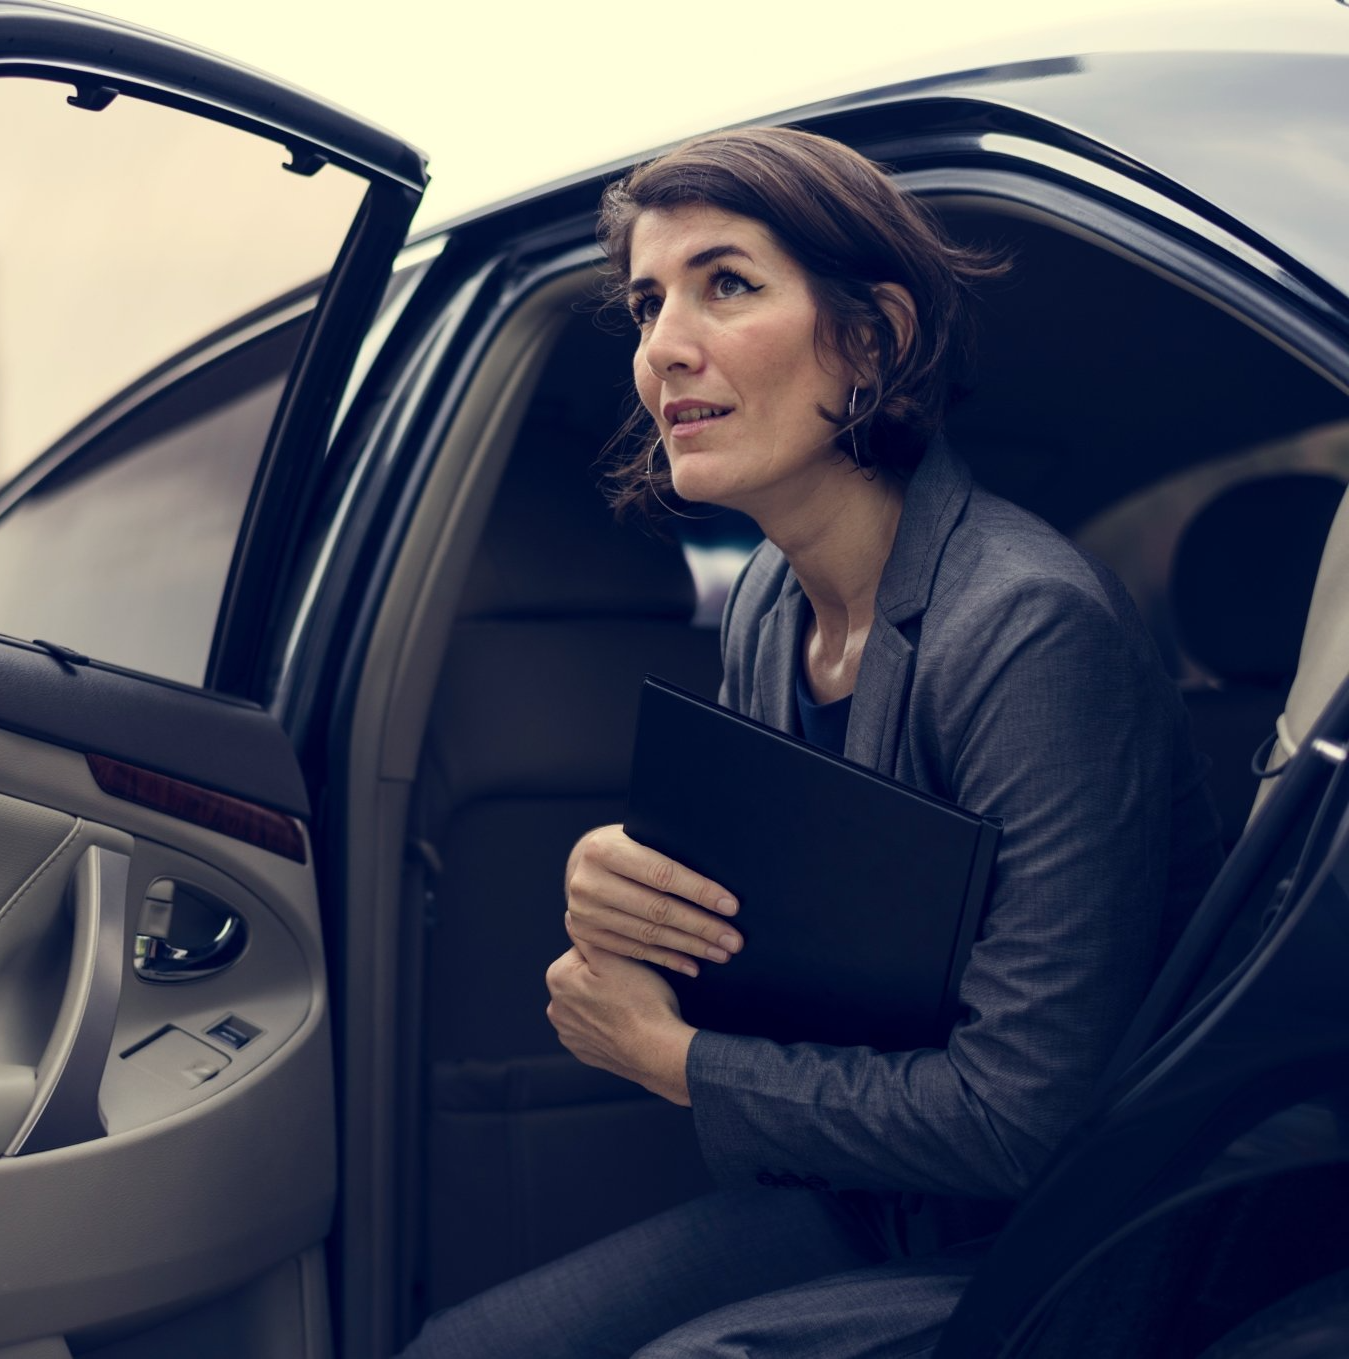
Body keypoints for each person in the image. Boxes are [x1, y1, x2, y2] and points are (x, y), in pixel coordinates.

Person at [397, 129, 1223, 1358]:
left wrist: (674, 1057)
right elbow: (797, 952)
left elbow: (1021, 1120)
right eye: (646, 303)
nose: (662, 347)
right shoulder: (772, 611)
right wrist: (620, 890)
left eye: (726, 284)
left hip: (1065, 1238)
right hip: (870, 1200)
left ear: (874, 338)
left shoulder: (1027, 625)